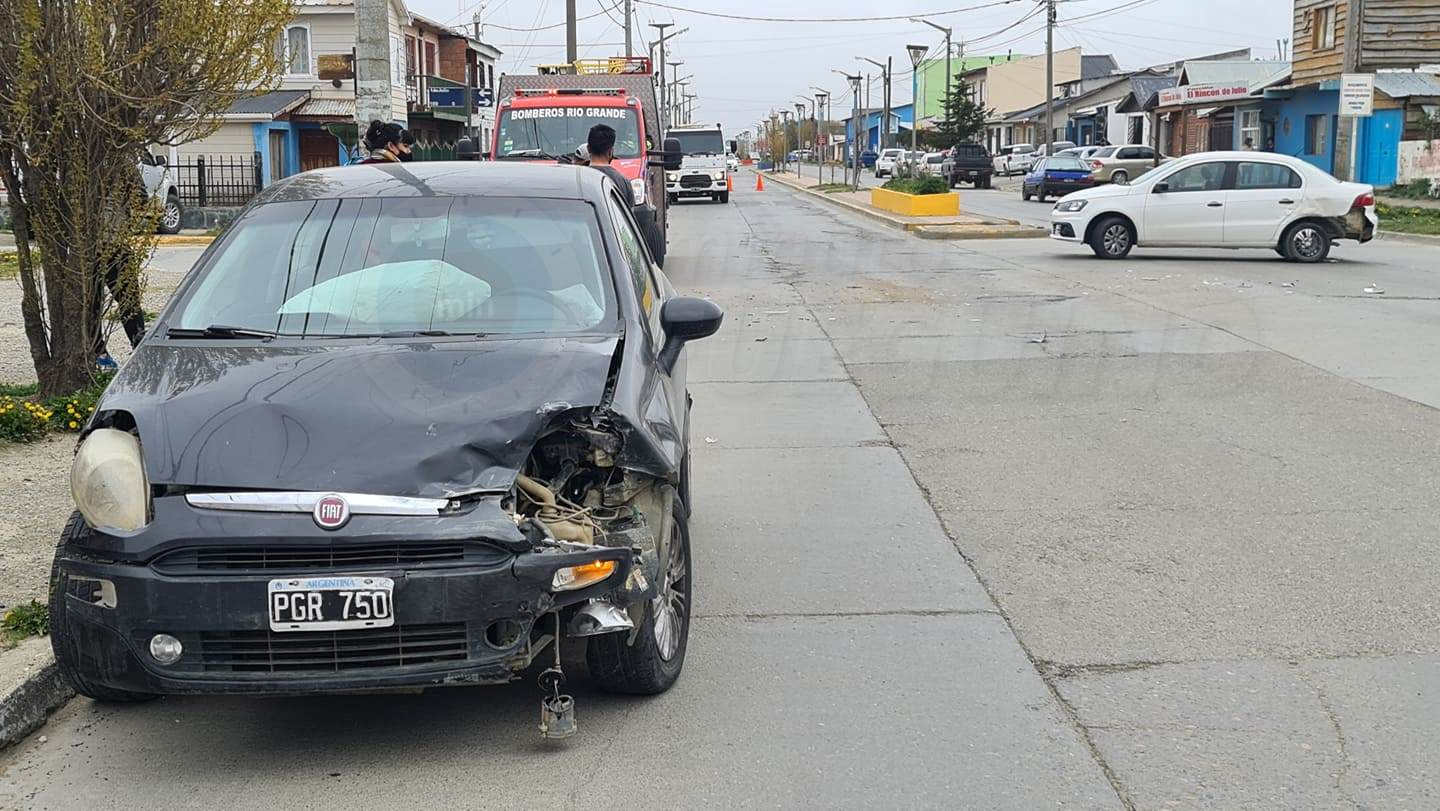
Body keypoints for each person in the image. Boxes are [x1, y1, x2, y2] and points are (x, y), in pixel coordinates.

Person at [585, 124, 665, 265]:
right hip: (615, 249)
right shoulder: (622, 181)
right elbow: (628, 221)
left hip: (585, 247)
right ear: (611, 150)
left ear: (588, 149)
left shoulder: (578, 179)